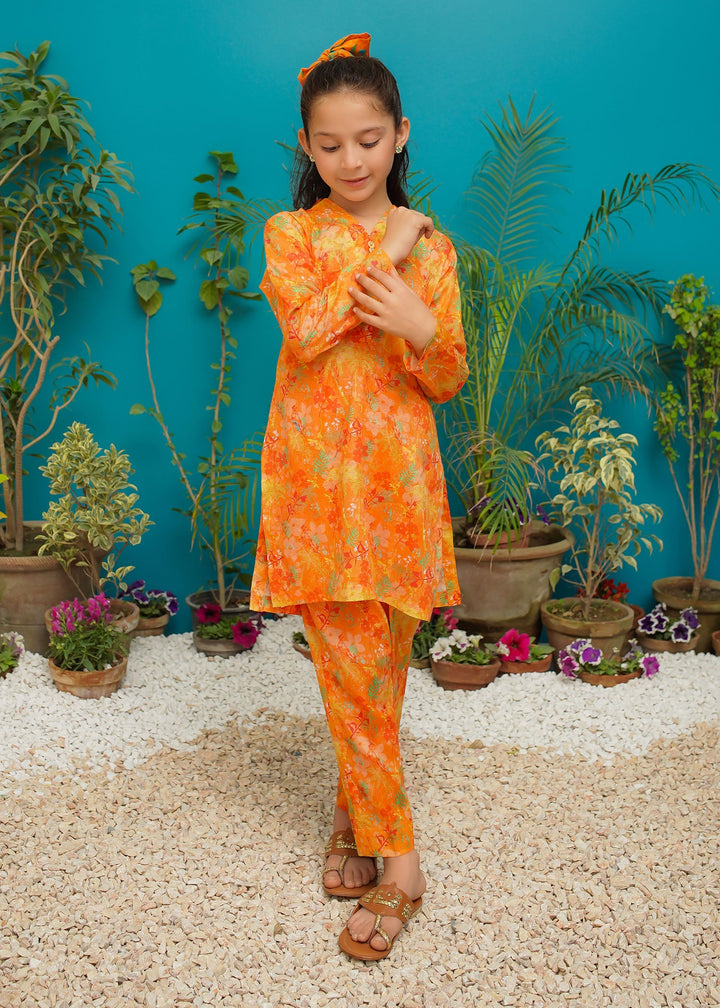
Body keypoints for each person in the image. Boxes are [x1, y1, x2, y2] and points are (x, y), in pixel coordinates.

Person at [250, 32, 468, 962]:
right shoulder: (291, 235)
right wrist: (390, 244)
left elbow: (446, 377)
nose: (351, 160)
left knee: (380, 670)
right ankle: (402, 863)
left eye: (369, 140)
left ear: (400, 134)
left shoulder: (435, 250)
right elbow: (306, 330)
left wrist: (421, 326)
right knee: (348, 664)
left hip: (401, 488)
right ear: (307, 145)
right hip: (314, 493)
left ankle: (354, 810)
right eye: (331, 143)